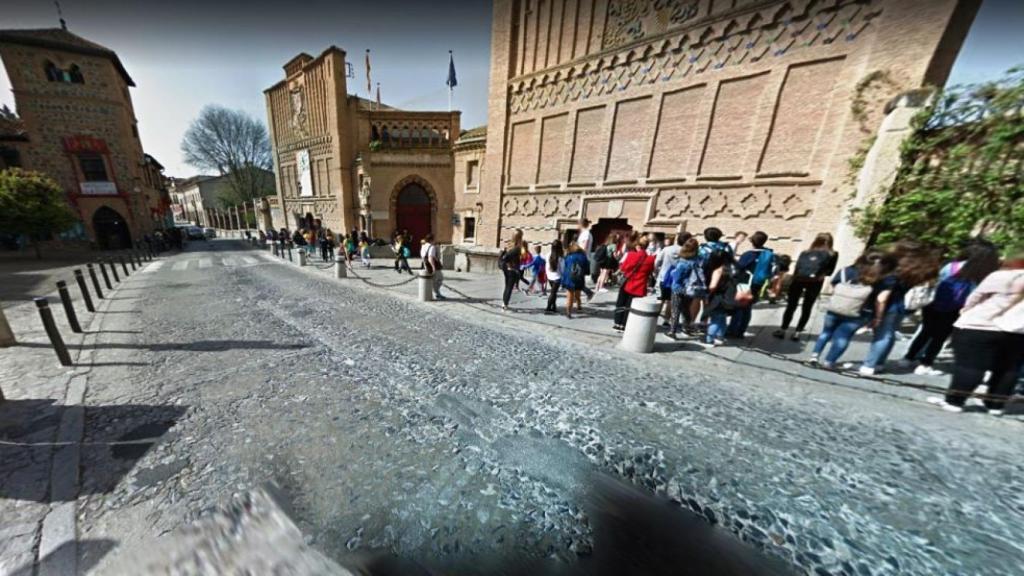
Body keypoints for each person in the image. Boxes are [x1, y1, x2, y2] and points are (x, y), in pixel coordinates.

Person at [934, 251, 1024, 414]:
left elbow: (975, 297)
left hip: (982, 324)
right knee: (1009, 369)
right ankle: (995, 405)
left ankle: (955, 401)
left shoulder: (1003, 276)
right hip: (1018, 330)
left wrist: (966, 311)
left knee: (970, 365)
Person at [902, 240, 1000, 376]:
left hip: (933, 304)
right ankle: (926, 363)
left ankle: (909, 357)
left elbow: (939, 282)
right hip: (956, 308)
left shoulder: (951, 266)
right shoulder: (982, 273)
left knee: (926, 331)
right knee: (940, 336)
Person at [858, 241, 941, 375]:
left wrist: (878, 317)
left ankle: (869, 364)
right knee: (889, 335)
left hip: (889, 305)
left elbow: (884, 296)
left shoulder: (895, 269)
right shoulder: (915, 269)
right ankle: (879, 362)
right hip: (900, 304)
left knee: (882, 335)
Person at [810, 250, 895, 368]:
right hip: (859, 313)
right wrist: (878, 318)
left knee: (826, 332)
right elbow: (881, 300)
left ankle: (814, 356)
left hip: (835, 308)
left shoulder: (846, 270)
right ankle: (829, 362)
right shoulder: (882, 279)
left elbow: (833, 286)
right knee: (843, 336)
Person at [773, 233, 838, 340]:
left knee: (791, 306)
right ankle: (797, 332)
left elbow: (797, 267)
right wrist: (821, 275)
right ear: (830, 242)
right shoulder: (833, 254)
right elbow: (830, 271)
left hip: (798, 280)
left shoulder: (806, 252)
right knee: (807, 307)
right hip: (816, 282)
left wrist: (793, 279)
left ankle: (783, 330)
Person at [727, 231, 775, 339]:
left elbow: (739, 268)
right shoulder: (768, 254)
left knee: (739, 307)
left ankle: (733, 331)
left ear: (752, 241)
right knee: (747, 308)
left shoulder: (749, 254)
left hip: (745, 283)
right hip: (758, 284)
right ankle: (741, 331)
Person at [612, 237, 656, 331]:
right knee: (630, 306)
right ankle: (625, 324)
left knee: (621, 303)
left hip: (627, 283)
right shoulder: (651, 259)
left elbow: (623, 268)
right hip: (640, 285)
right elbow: (650, 272)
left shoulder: (631, 255)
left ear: (638, 246)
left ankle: (617, 323)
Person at [668, 238, 703, 338]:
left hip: (678, 288)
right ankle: (686, 328)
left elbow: (677, 277)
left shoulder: (683, 262)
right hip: (691, 288)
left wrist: (672, 273)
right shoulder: (698, 260)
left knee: (676, 309)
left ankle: (672, 332)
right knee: (686, 309)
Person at [656, 233, 688, 326]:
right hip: (677, 279)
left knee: (660, 298)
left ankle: (654, 316)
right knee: (671, 300)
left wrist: (656, 270)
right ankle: (666, 320)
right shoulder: (686, 252)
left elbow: (657, 261)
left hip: (663, 277)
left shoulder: (667, 249)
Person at [703, 249, 733, 346]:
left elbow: (713, 286)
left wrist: (707, 295)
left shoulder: (718, 270)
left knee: (715, 320)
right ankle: (720, 337)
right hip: (728, 298)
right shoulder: (729, 269)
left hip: (717, 298)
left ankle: (709, 340)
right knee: (722, 319)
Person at [561, 242, 589, 318]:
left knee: (570, 296)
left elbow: (565, 267)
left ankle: (568, 312)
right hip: (579, 278)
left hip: (569, 278)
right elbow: (587, 269)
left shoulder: (568, 256)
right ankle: (579, 306)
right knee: (578, 293)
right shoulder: (583, 256)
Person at [499, 230, 524, 310]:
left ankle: (504, 303)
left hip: (507, 268)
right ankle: (505, 304)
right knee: (509, 287)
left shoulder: (510, 245)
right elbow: (506, 257)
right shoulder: (517, 248)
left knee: (507, 286)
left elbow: (505, 255)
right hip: (512, 269)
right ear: (519, 237)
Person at [420, 233, 445, 300]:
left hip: (426, 265)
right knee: (440, 278)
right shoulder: (432, 246)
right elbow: (430, 258)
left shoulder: (423, 246)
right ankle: (436, 293)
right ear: (431, 239)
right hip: (433, 266)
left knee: (433, 280)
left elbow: (423, 257)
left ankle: (436, 293)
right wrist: (433, 267)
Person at [545, 240, 564, 314]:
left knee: (554, 293)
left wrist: (547, 274)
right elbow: (563, 269)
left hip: (550, 276)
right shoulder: (560, 258)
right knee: (553, 293)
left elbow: (546, 266)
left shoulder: (548, 255)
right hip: (557, 277)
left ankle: (554, 307)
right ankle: (548, 308)